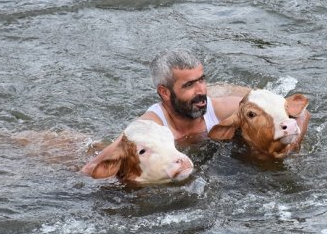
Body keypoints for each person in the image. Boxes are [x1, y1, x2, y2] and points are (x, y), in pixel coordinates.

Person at [81, 49, 243, 176]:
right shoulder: (148, 128)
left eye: (202, 79)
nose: (201, 90)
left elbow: (266, 102)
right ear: (164, 92)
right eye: (189, 85)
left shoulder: (224, 110)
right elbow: (91, 169)